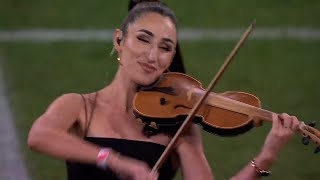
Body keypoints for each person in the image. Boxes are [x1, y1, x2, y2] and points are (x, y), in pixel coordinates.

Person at [27, 1, 301, 180]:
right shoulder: (79, 106)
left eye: (165, 48)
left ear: (170, 60)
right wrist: (113, 160)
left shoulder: (179, 126)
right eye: (143, 40)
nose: (152, 55)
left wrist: (267, 156)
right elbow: (39, 136)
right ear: (119, 40)